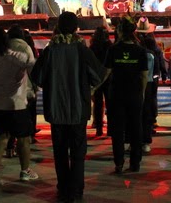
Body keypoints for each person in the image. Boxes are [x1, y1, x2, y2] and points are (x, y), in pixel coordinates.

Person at [31, 12, 108, 202]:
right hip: (78, 109)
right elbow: (98, 76)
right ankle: (76, 189)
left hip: (55, 109)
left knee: (60, 151)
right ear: (76, 28)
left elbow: (37, 77)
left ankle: (63, 187)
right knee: (78, 152)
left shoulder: (50, 50)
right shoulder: (82, 50)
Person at [0, 28, 38, 185]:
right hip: (16, 103)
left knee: (2, 135)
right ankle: (25, 171)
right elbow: (34, 68)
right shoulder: (18, 57)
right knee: (23, 138)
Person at [104, 16, 149, 172]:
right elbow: (144, 75)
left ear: (120, 31)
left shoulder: (113, 50)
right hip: (134, 93)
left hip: (117, 94)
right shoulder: (140, 51)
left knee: (118, 130)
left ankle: (119, 162)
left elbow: (106, 72)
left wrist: (94, 87)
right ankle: (135, 162)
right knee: (136, 128)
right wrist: (142, 93)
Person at [90, 26, 113, 137]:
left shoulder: (93, 46)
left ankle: (99, 128)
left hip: (96, 77)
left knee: (98, 103)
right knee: (110, 103)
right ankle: (110, 129)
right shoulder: (110, 46)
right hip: (108, 77)